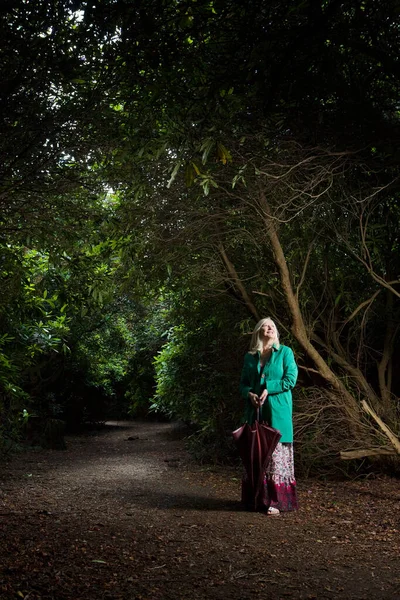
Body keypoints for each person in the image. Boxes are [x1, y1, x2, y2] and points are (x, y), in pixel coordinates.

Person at [239, 317, 298, 515]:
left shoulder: (285, 353)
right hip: (255, 412)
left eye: (273, 325)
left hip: (277, 411)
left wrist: (268, 389)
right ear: (258, 331)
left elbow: (290, 380)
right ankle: (255, 499)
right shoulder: (249, 357)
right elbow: (243, 384)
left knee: (275, 455)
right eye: (265, 325)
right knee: (256, 453)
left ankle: (276, 500)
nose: (270, 328)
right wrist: (249, 393)